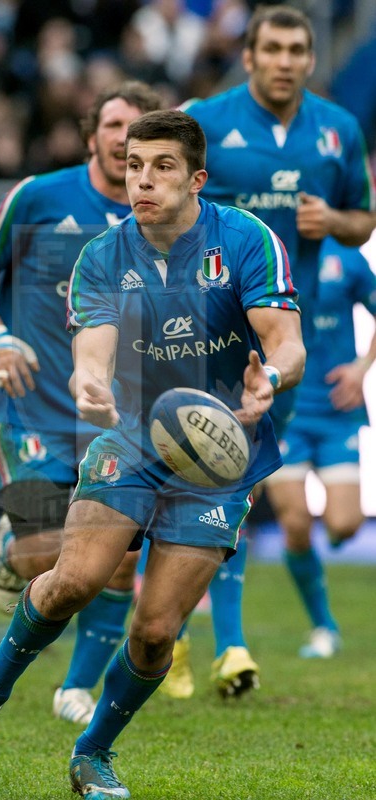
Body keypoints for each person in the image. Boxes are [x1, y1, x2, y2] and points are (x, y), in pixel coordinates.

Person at [0, 110, 306, 799]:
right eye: (133, 165)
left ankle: (92, 753)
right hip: (130, 438)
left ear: (197, 179)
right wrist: (89, 385)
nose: (142, 180)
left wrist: (268, 377)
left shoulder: (247, 239)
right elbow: (91, 354)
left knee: (155, 633)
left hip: (218, 453)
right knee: (75, 581)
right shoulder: (102, 254)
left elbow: (287, 342)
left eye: (162, 166)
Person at [0, 82, 163, 723]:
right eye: (114, 124)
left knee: (118, 561)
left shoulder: (164, 220)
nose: (124, 138)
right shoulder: (38, 196)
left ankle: (75, 688)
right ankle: (9, 552)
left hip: (113, 418)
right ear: (90, 133)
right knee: (51, 553)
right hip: (28, 411)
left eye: (138, 129)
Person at [179, 3, 376, 698]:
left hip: (286, 340)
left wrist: (337, 219)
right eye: (273, 49)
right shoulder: (205, 120)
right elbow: (158, 197)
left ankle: (178, 630)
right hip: (207, 328)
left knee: (228, 487)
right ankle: (221, 644)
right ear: (249, 56)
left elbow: (363, 221)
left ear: (310, 59)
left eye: (297, 50)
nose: (285, 61)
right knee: (218, 483)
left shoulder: (338, 130)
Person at [266, 236, 376, 658]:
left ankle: (321, 554)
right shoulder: (268, 249)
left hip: (337, 410)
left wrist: (361, 369)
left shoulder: (347, 254)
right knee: (295, 522)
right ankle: (323, 626)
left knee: (344, 524)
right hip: (286, 410)